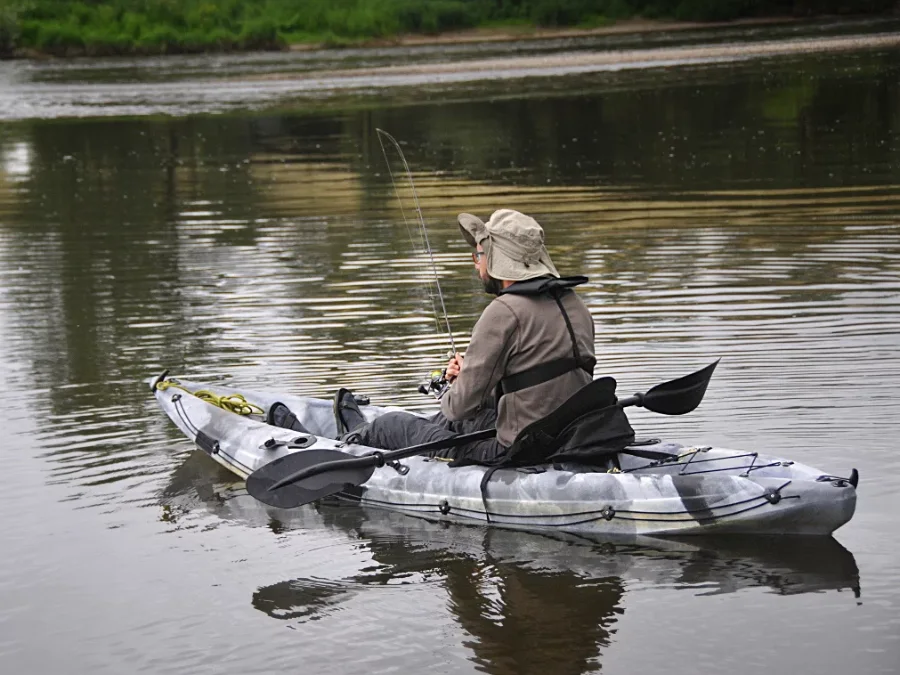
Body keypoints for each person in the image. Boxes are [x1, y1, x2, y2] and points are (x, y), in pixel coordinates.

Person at [340, 208, 600, 467]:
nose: (476, 263)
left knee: (392, 424)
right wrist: (474, 375)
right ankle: (363, 430)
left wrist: (459, 384)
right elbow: (541, 382)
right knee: (450, 422)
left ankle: (349, 442)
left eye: (479, 255)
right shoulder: (574, 303)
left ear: (497, 258)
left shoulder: (504, 311)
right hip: (568, 436)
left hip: (518, 451)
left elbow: (458, 408)